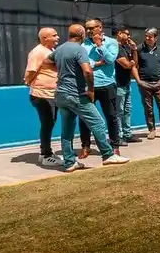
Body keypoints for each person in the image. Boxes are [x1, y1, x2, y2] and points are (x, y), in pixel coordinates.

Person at [48, 24, 130, 171]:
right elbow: (87, 71)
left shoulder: (59, 49)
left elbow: (46, 62)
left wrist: (64, 71)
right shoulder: (80, 49)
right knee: (98, 123)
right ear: (81, 35)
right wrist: (91, 89)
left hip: (60, 94)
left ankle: (69, 162)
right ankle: (108, 155)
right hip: (76, 94)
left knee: (67, 130)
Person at [77, 18, 121, 158]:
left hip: (107, 84)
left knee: (111, 116)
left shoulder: (112, 42)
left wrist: (99, 45)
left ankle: (114, 146)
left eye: (92, 28)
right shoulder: (82, 44)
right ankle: (85, 146)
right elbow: (82, 62)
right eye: (87, 28)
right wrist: (97, 63)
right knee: (85, 117)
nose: (89, 31)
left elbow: (110, 60)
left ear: (100, 28)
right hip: (88, 86)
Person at [24, 27, 62, 167]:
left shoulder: (50, 51)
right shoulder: (37, 52)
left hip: (52, 94)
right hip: (42, 95)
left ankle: (45, 153)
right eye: (54, 35)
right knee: (47, 123)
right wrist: (30, 82)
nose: (57, 37)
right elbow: (31, 72)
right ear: (45, 38)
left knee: (50, 122)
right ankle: (46, 155)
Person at [114, 26, 141, 144]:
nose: (129, 36)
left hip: (126, 83)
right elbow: (126, 65)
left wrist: (134, 50)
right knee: (118, 111)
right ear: (119, 34)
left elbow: (134, 64)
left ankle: (127, 134)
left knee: (127, 110)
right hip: (118, 84)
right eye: (127, 34)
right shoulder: (115, 48)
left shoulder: (125, 47)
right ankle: (118, 136)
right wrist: (131, 63)